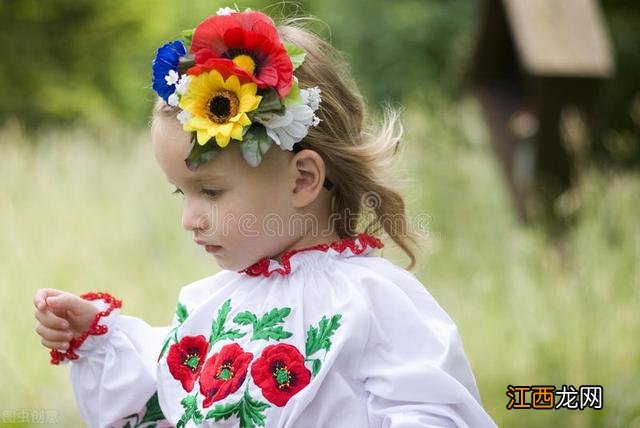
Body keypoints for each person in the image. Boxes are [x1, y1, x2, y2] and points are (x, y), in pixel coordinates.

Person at [33, 6, 496, 428]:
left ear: (302, 180)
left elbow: (435, 412)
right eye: (183, 193)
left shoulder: (372, 300)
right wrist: (99, 338)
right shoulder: (213, 304)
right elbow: (170, 399)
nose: (189, 219)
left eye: (210, 191)